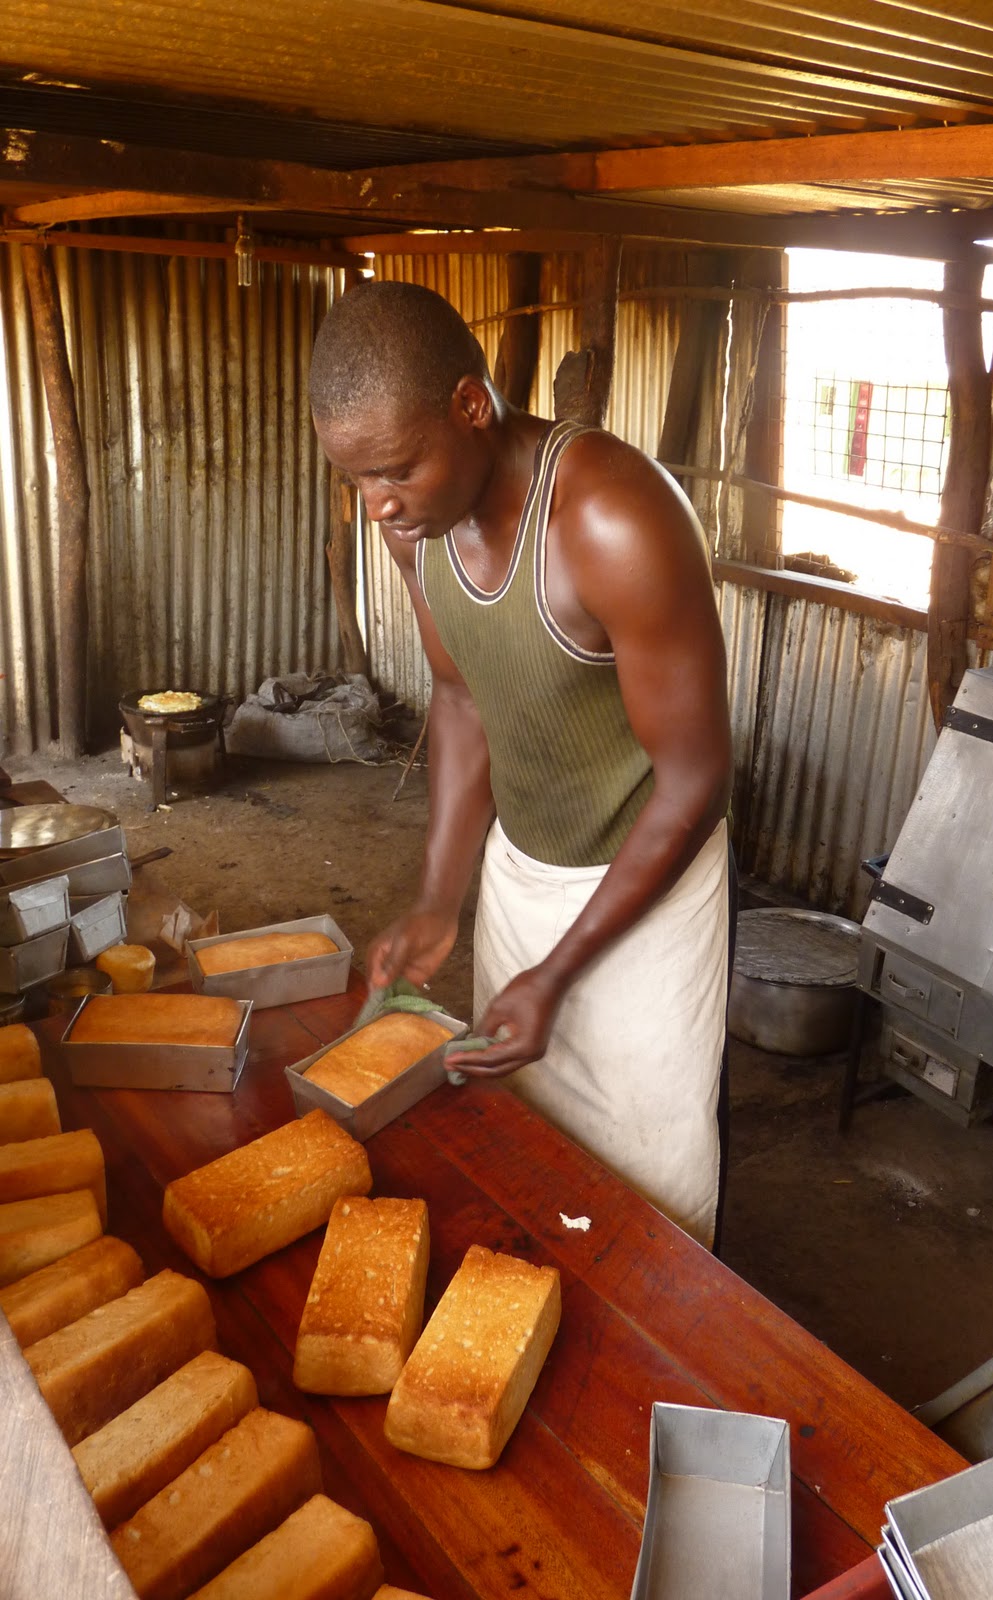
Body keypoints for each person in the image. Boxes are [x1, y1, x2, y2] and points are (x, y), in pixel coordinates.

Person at [309, 281, 732, 1247]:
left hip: (649, 892)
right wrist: (438, 897)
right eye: (356, 479)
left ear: (469, 405)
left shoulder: (611, 519)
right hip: (523, 869)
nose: (376, 504)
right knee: (534, 1147)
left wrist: (563, 968)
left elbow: (695, 780)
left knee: (649, 1186)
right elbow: (462, 702)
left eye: (394, 470)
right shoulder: (420, 525)